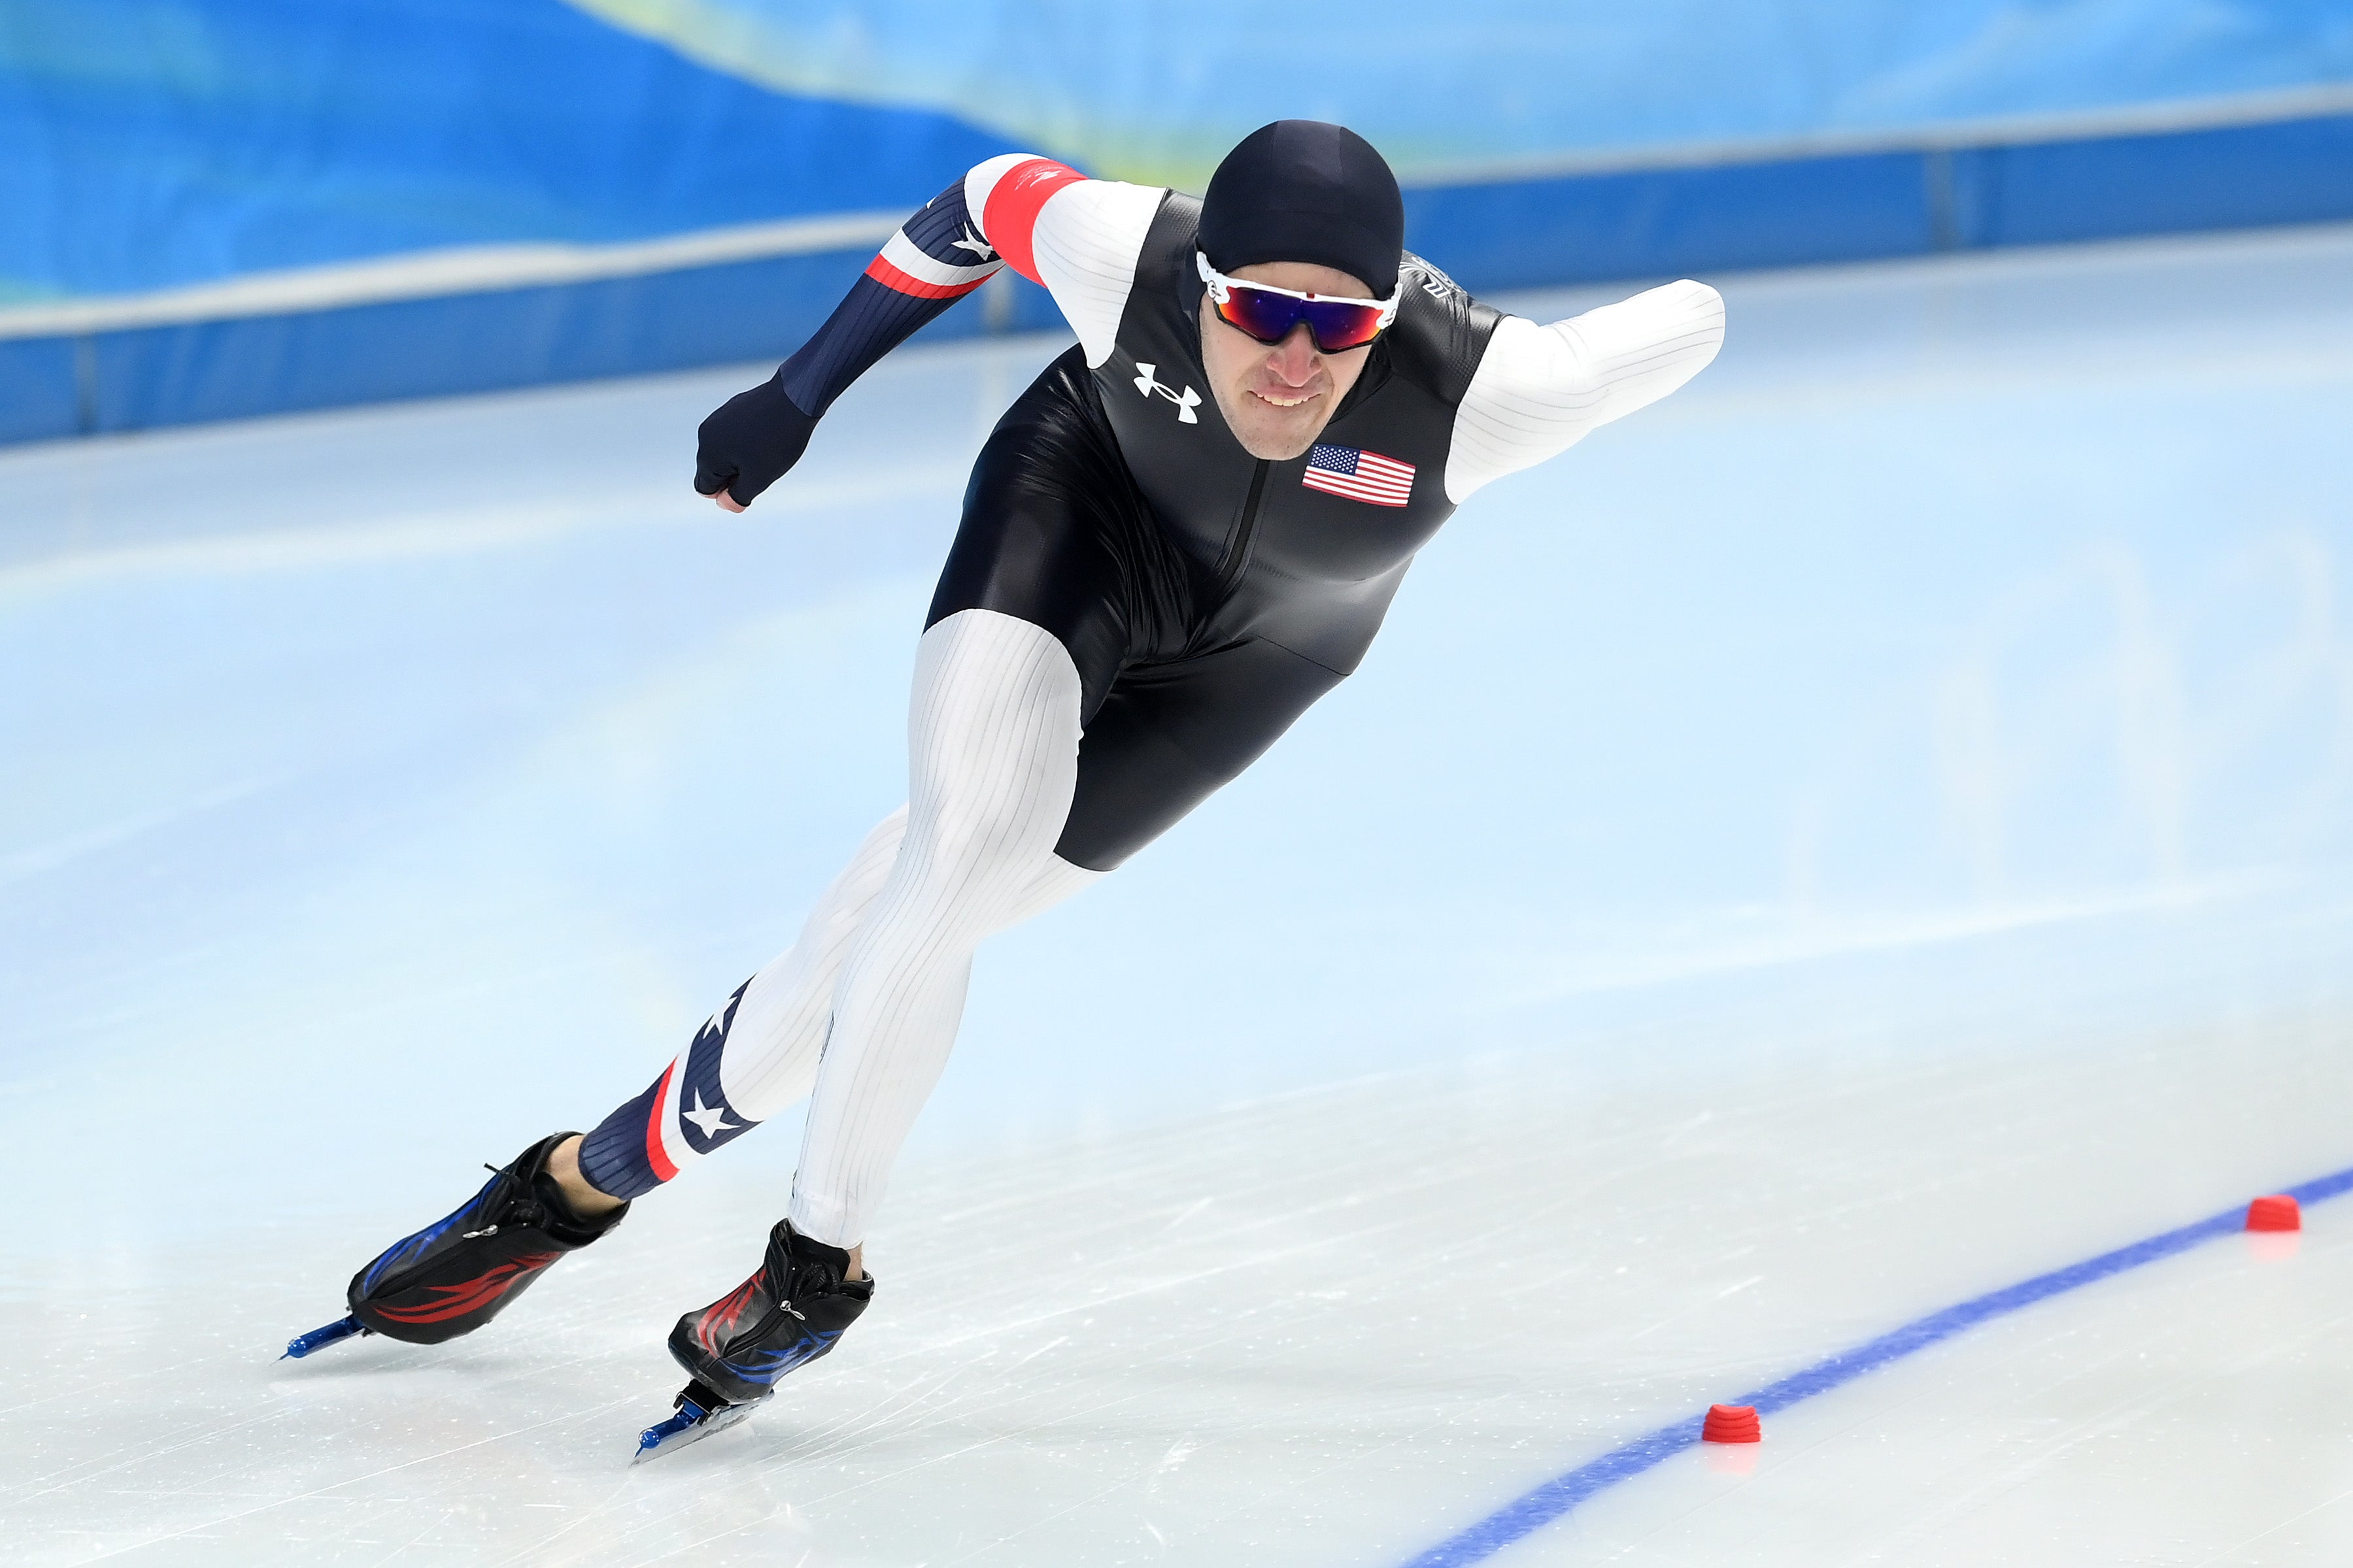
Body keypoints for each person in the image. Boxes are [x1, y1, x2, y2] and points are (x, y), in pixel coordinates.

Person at [301, 121, 1725, 1444]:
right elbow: (984, 201)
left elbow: (1692, 321)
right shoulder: (1125, 253)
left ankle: (571, 1187)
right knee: (965, 846)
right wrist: (798, 396)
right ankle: (816, 1268)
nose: (1290, 364)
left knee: (892, 918)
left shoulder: (1495, 388)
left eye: (1336, 329)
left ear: (1383, 324)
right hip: (1079, 520)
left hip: (1264, 655)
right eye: (1254, 315)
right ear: (1204, 283)